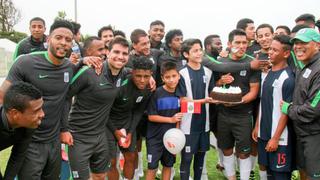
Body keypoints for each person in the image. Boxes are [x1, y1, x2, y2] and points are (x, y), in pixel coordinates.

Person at [0, 19, 101, 180]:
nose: (63, 43)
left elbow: (66, 97)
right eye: (58, 38)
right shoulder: (25, 62)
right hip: (29, 141)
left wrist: (83, 60)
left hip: (54, 141)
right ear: (48, 40)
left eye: (68, 40)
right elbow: (3, 96)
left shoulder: (68, 67)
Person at [60, 36, 114, 180]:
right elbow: (65, 97)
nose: (104, 52)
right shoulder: (85, 72)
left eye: (105, 49)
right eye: (100, 49)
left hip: (100, 136)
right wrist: (64, 129)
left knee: (100, 175)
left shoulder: (109, 72)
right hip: (79, 137)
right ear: (88, 52)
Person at [216, 29, 260, 180]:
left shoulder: (251, 63)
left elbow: (254, 91)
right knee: (226, 149)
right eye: (237, 42)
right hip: (223, 114)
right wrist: (220, 81)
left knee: (244, 152)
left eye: (244, 43)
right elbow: (212, 87)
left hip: (243, 115)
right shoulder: (220, 62)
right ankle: (231, 177)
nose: (241, 46)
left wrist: (236, 101)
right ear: (229, 44)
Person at [252, 35, 295, 180]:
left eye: (275, 50)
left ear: (286, 53)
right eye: (270, 49)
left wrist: (276, 138)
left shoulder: (288, 78)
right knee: (268, 172)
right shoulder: (268, 73)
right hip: (263, 134)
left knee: (280, 175)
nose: (270, 52)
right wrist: (257, 125)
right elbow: (263, 102)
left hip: (280, 138)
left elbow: (286, 111)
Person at [281, 28, 320, 180]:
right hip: (301, 132)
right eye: (296, 43)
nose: (298, 46)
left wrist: (288, 108)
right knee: (303, 170)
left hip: (315, 135)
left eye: (303, 42)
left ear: (317, 45)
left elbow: (313, 109)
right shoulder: (303, 64)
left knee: (314, 175)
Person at [176, 38, 215, 180]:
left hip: (204, 124)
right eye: (195, 51)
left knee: (200, 158)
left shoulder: (208, 72)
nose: (199, 53)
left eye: (200, 50)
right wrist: (202, 102)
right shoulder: (181, 73)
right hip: (188, 124)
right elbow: (182, 101)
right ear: (186, 54)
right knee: (186, 159)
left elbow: (212, 94)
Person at [107, 57, 153, 180]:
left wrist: (131, 132)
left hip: (127, 122)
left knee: (131, 157)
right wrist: (115, 131)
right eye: (138, 76)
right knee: (110, 162)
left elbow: (138, 111)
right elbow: (104, 111)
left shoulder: (149, 88)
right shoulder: (120, 86)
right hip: (108, 123)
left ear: (151, 75)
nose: (142, 80)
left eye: (146, 76)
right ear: (132, 72)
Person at [0, 82, 44, 179]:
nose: (42, 114)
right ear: (15, 113)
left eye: (41, 108)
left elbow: (18, 156)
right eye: (36, 110)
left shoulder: (28, 126)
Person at [146, 61, 182, 180]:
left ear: (179, 76)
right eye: (167, 77)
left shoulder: (181, 95)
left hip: (172, 138)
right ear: (162, 78)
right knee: (152, 167)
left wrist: (177, 136)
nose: (171, 80)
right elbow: (151, 116)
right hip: (155, 137)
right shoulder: (156, 93)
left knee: (168, 165)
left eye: (174, 76)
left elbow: (180, 118)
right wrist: (171, 119)